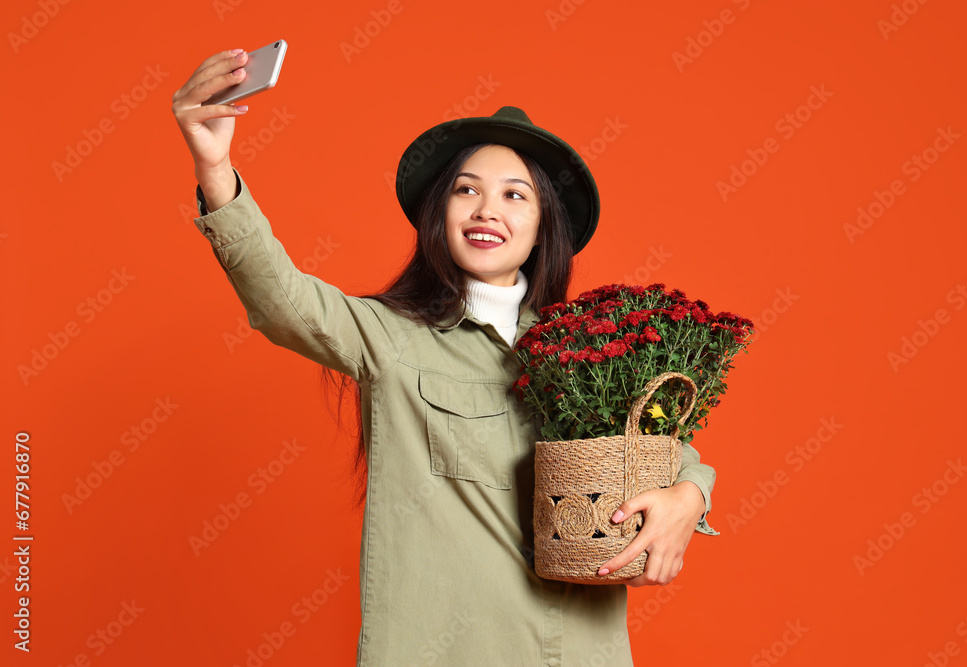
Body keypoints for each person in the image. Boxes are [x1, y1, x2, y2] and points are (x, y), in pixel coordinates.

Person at [172, 48, 719, 666]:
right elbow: (283, 300)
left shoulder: (588, 350)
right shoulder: (386, 336)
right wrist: (214, 166)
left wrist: (692, 494)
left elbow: (656, 447)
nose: (487, 209)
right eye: (467, 190)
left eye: (516, 196)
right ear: (440, 213)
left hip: (578, 650)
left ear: (544, 227)